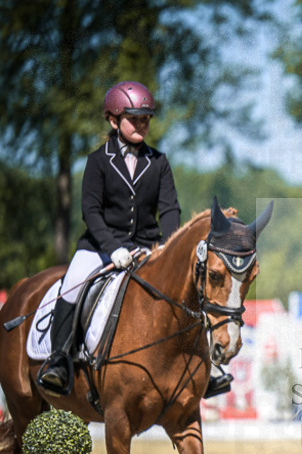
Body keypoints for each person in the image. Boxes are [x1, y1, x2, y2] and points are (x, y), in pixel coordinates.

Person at [37, 81, 231, 398]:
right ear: (114, 120)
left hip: (147, 248)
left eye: (146, 119)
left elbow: (170, 210)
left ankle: (202, 366)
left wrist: (170, 249)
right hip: (100, 248)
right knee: (72, 283)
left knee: (189, 289)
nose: (142, 124)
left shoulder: (159, 162)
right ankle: (59, 360)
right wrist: (112, 249)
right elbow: (91, 211)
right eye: (134, 118)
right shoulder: (98, 161)